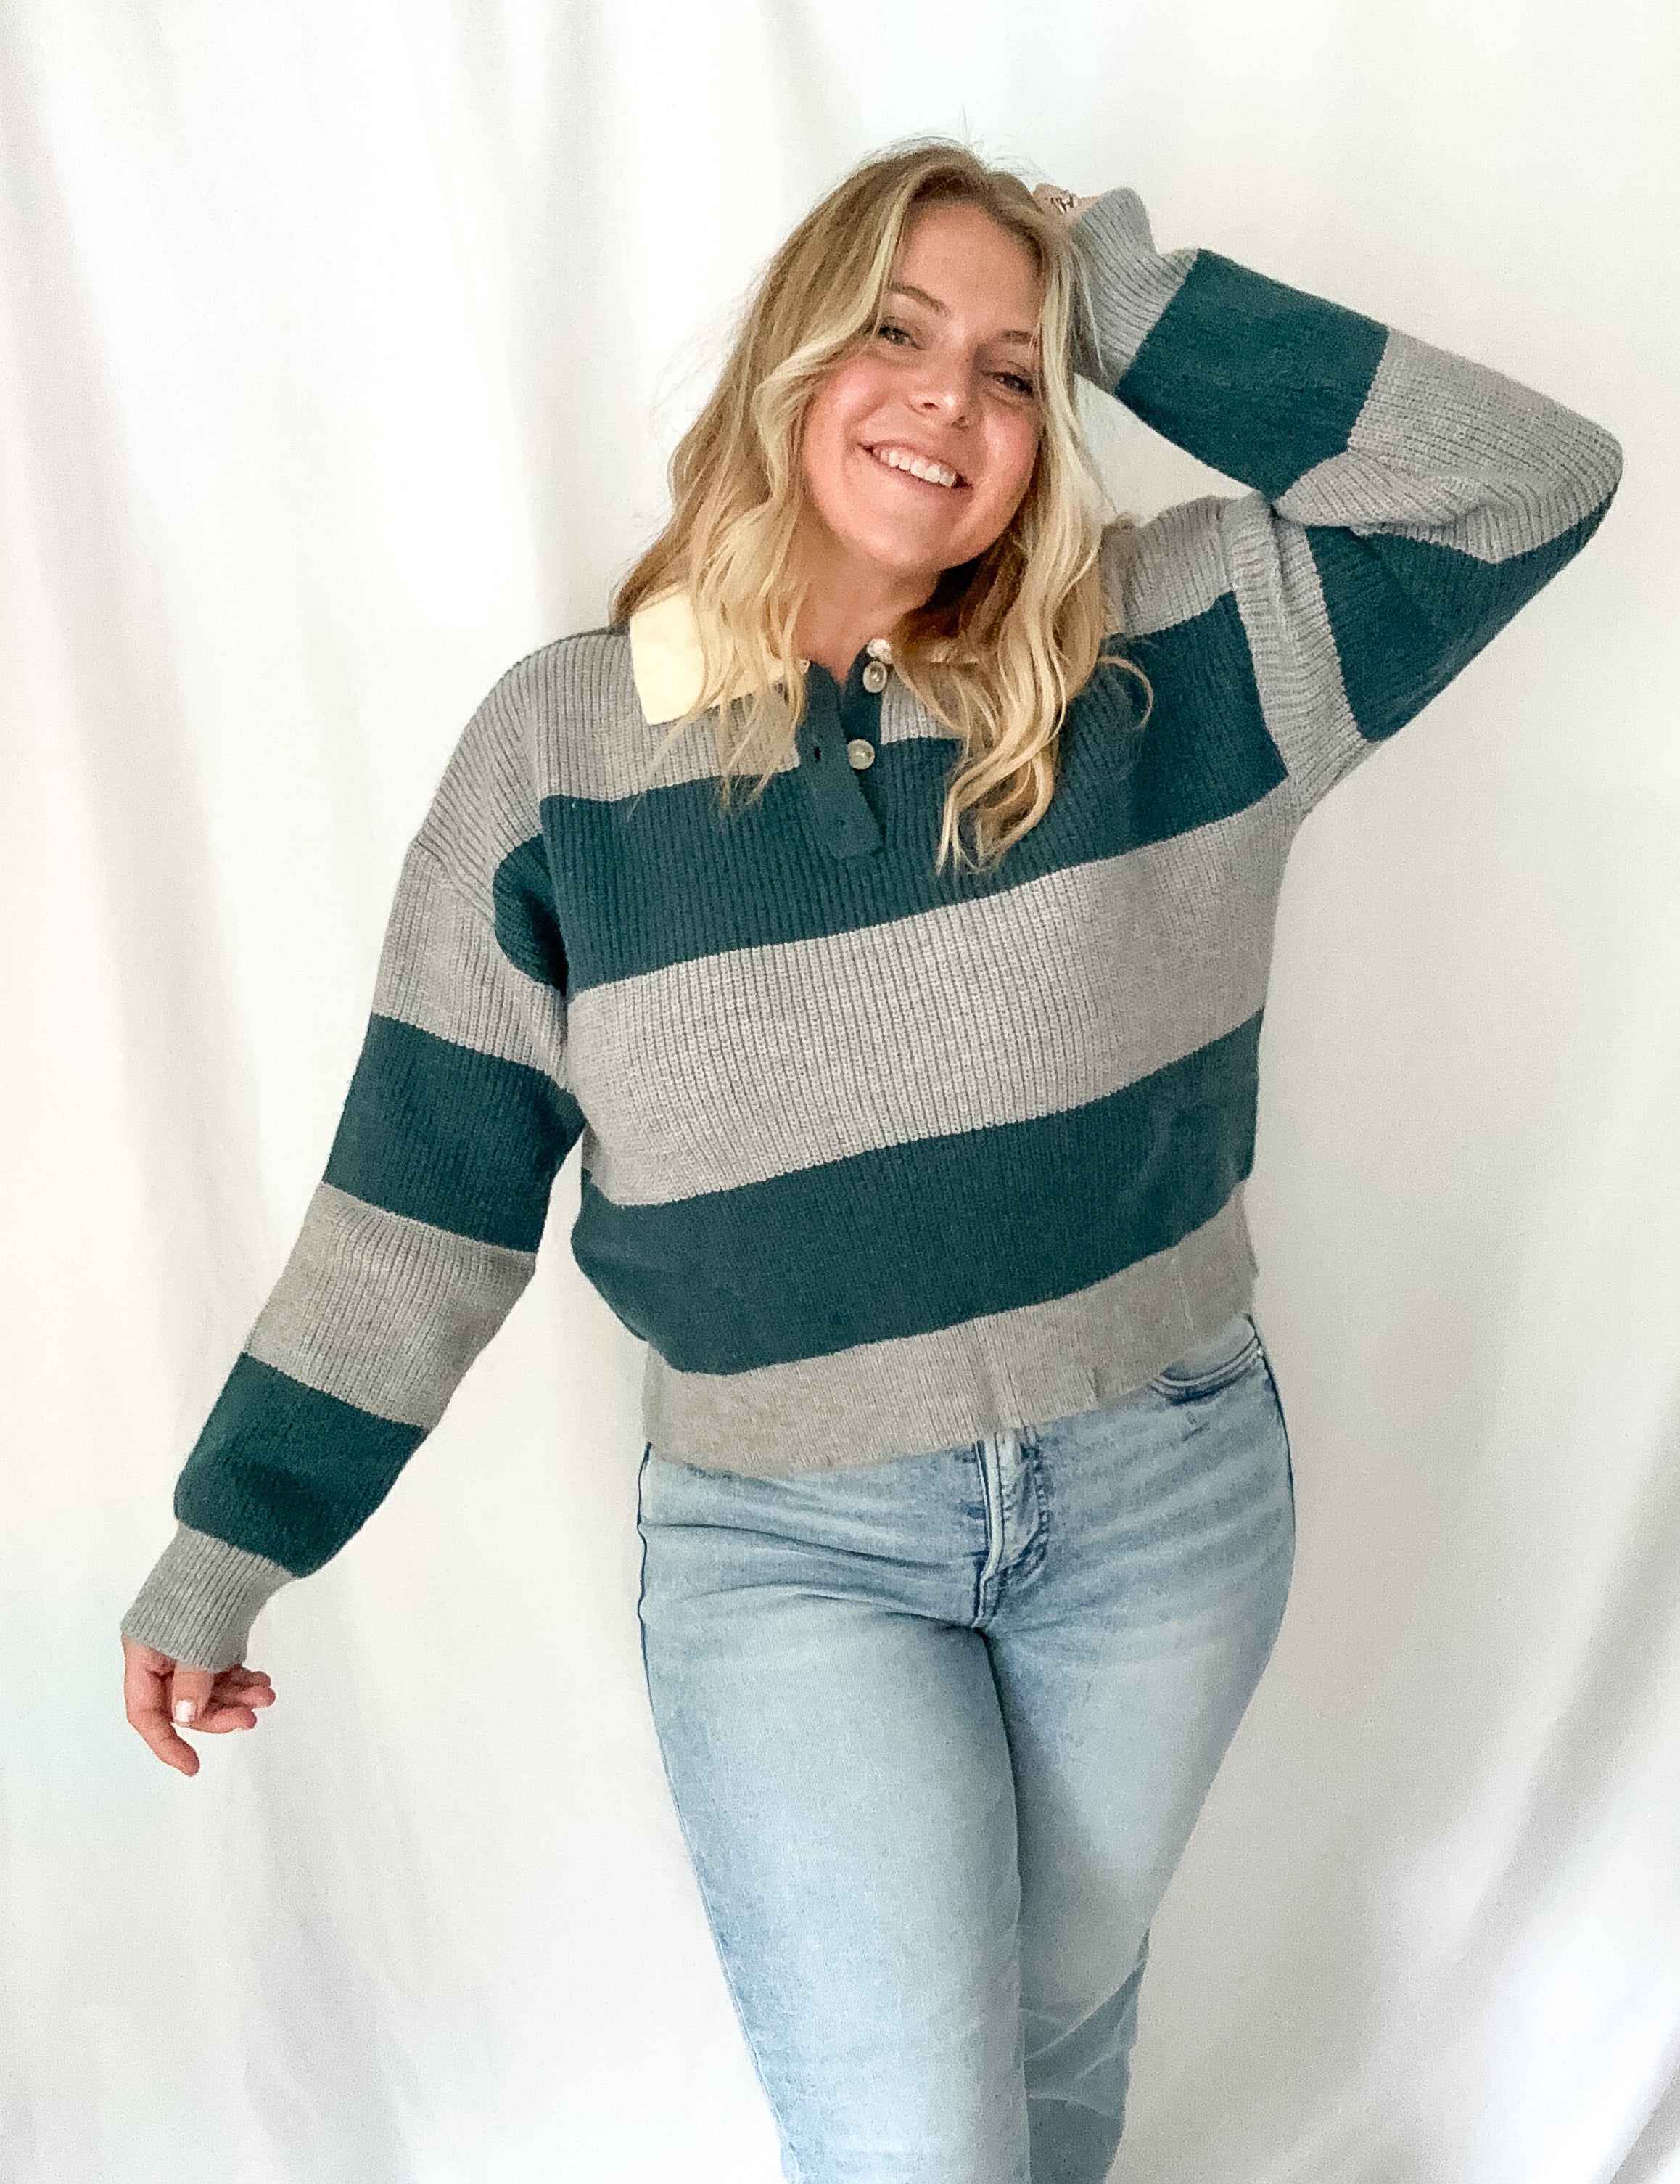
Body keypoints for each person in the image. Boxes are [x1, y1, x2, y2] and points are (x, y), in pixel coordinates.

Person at [120, 140, 1621, 2180]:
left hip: (1162, 1494)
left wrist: (1120, 299)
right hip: (786, 1554)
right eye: (896, 333)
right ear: (787, 365)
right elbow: (422, 1200)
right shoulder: (561, 749)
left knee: (1052, 2057)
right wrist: (235, 1539)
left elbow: (1519, 478)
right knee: (921, 2142)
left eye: (1014, 372)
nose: (950, 399)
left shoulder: (1177, 655)